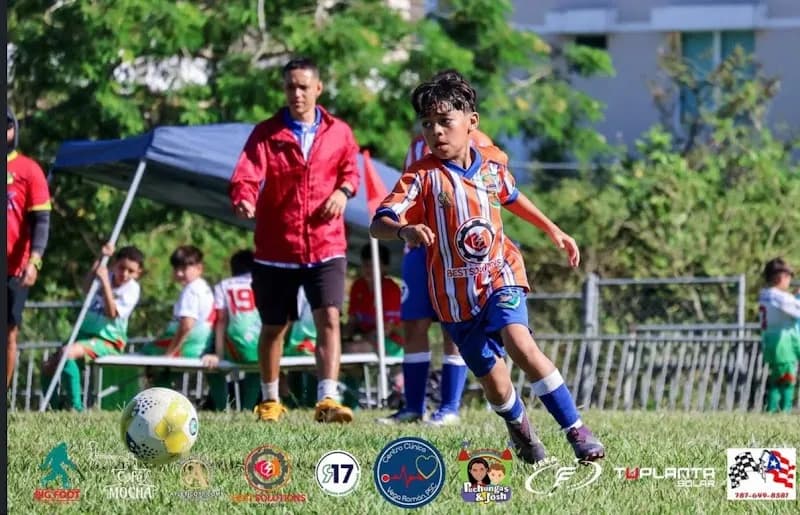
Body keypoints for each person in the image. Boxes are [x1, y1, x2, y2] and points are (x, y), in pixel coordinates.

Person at [370, 72, 605, 463]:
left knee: (521, 343)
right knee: (496, 382)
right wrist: (404, 229)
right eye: (427, 124)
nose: (436, 132)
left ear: (471, 123)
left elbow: (513, 197)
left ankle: (577, 430)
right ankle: (520, 429)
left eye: (445, 122)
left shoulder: (492, 168)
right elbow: (380, 221)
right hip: (453, 296)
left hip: (501, 274)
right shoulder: (421, 176)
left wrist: (554, 230)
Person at [229, 57, 360, 423]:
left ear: (318, 88)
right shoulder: (267, 133)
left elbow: (352, 170)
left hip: (326, 244)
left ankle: (328, 399)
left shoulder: (339, 132)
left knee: (329, 318)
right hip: (277, 247)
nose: (297, 93)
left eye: (303, 86)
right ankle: (270, 399)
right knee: (274, 327)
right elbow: (246, 175)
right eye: (291, 87)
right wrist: (243, 197)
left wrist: (344, 192)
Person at [380, 71, 502, 427]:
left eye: (444, 114)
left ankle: (449, 408)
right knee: (414, 324)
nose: (436, 126)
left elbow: (497, 190)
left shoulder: (481, 144)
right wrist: (406, 232)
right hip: (418, 250)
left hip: (459, 253)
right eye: (429, 115)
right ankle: (411, 407)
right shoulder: (419, 145)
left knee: (454, 326)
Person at [41, 243, 144, 410]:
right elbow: (87, 287)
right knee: (48, 367)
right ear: (114, 265)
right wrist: (100, 258)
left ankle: (76, 408)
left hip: (108, 341)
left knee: (67, 353)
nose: (124, 274)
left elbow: (111, 313)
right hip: (83, 335)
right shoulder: (107, 274)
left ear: (138, 273)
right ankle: (53, 407)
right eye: (121, 268)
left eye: (130, 271)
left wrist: (105, 283)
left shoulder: (132, 289)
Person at [7, 107, 52, 388]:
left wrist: (34, 261)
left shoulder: (28, 169)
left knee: (8, 333)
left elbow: (42, 221)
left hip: (14, 268)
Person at [143, 245, 215, 388]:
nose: (180, 273)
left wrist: (170, 353)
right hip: (200, 345)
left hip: (189, 347)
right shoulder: (202, 286)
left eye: (184, 269)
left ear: (199, 268)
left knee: (146, 351)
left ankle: (150, 395)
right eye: (176, 269)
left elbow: (186, 325)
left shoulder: (191, 291)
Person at [342, 243, 404, 406]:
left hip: (392, 343)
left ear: (385, 267)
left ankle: (352, 400)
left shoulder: (391, 289)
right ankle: (351, 403)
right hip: (366, 340)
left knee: (349, 351)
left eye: (373, 265)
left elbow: (387, 329)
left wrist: (356, 343)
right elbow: (353, 320)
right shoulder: (358, 286)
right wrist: (340, 335)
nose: (368, 269)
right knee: (339, 350)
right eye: (365, 265)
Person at [201, 249, 261, 411]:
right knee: (256, 371)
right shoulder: (264, 281)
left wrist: (218, 354)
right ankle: (248, 409)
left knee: (213, 370)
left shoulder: (224, 285)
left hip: (236, 347)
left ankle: (222, 408)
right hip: (260, 346)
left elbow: (221, 320)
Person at [757, 258, 800, 413]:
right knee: (787, 377)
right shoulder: (780, 297)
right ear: (780, 277)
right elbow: (796, 311)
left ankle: (773, 409)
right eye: (789, 277)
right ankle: (783, 410)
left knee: (777, 377)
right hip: (783, 343)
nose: (789, 281)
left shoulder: (765, 294)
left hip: (771, 341)